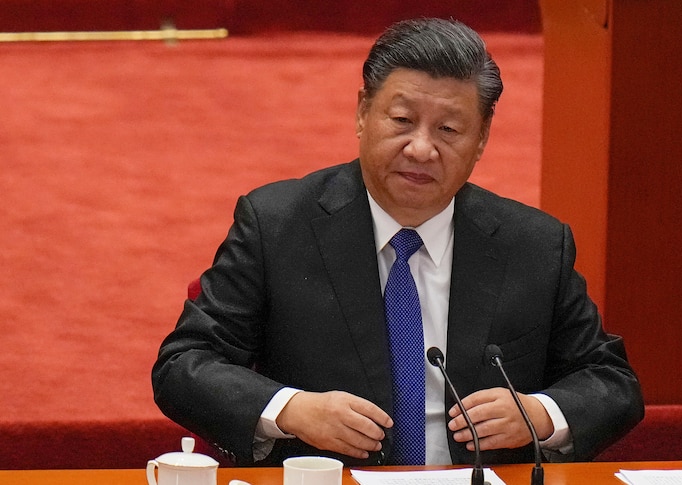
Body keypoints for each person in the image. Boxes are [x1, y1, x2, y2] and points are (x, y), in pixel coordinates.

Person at [152, 17, 643, 467]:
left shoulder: (532, 244)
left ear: (482, 139)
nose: (422, 148)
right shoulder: (278, 224)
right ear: (363, 113)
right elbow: (184, 364)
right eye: (402, 121)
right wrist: (291, 409)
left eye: (449, 129)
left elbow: (612, 382)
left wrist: (538, 414)